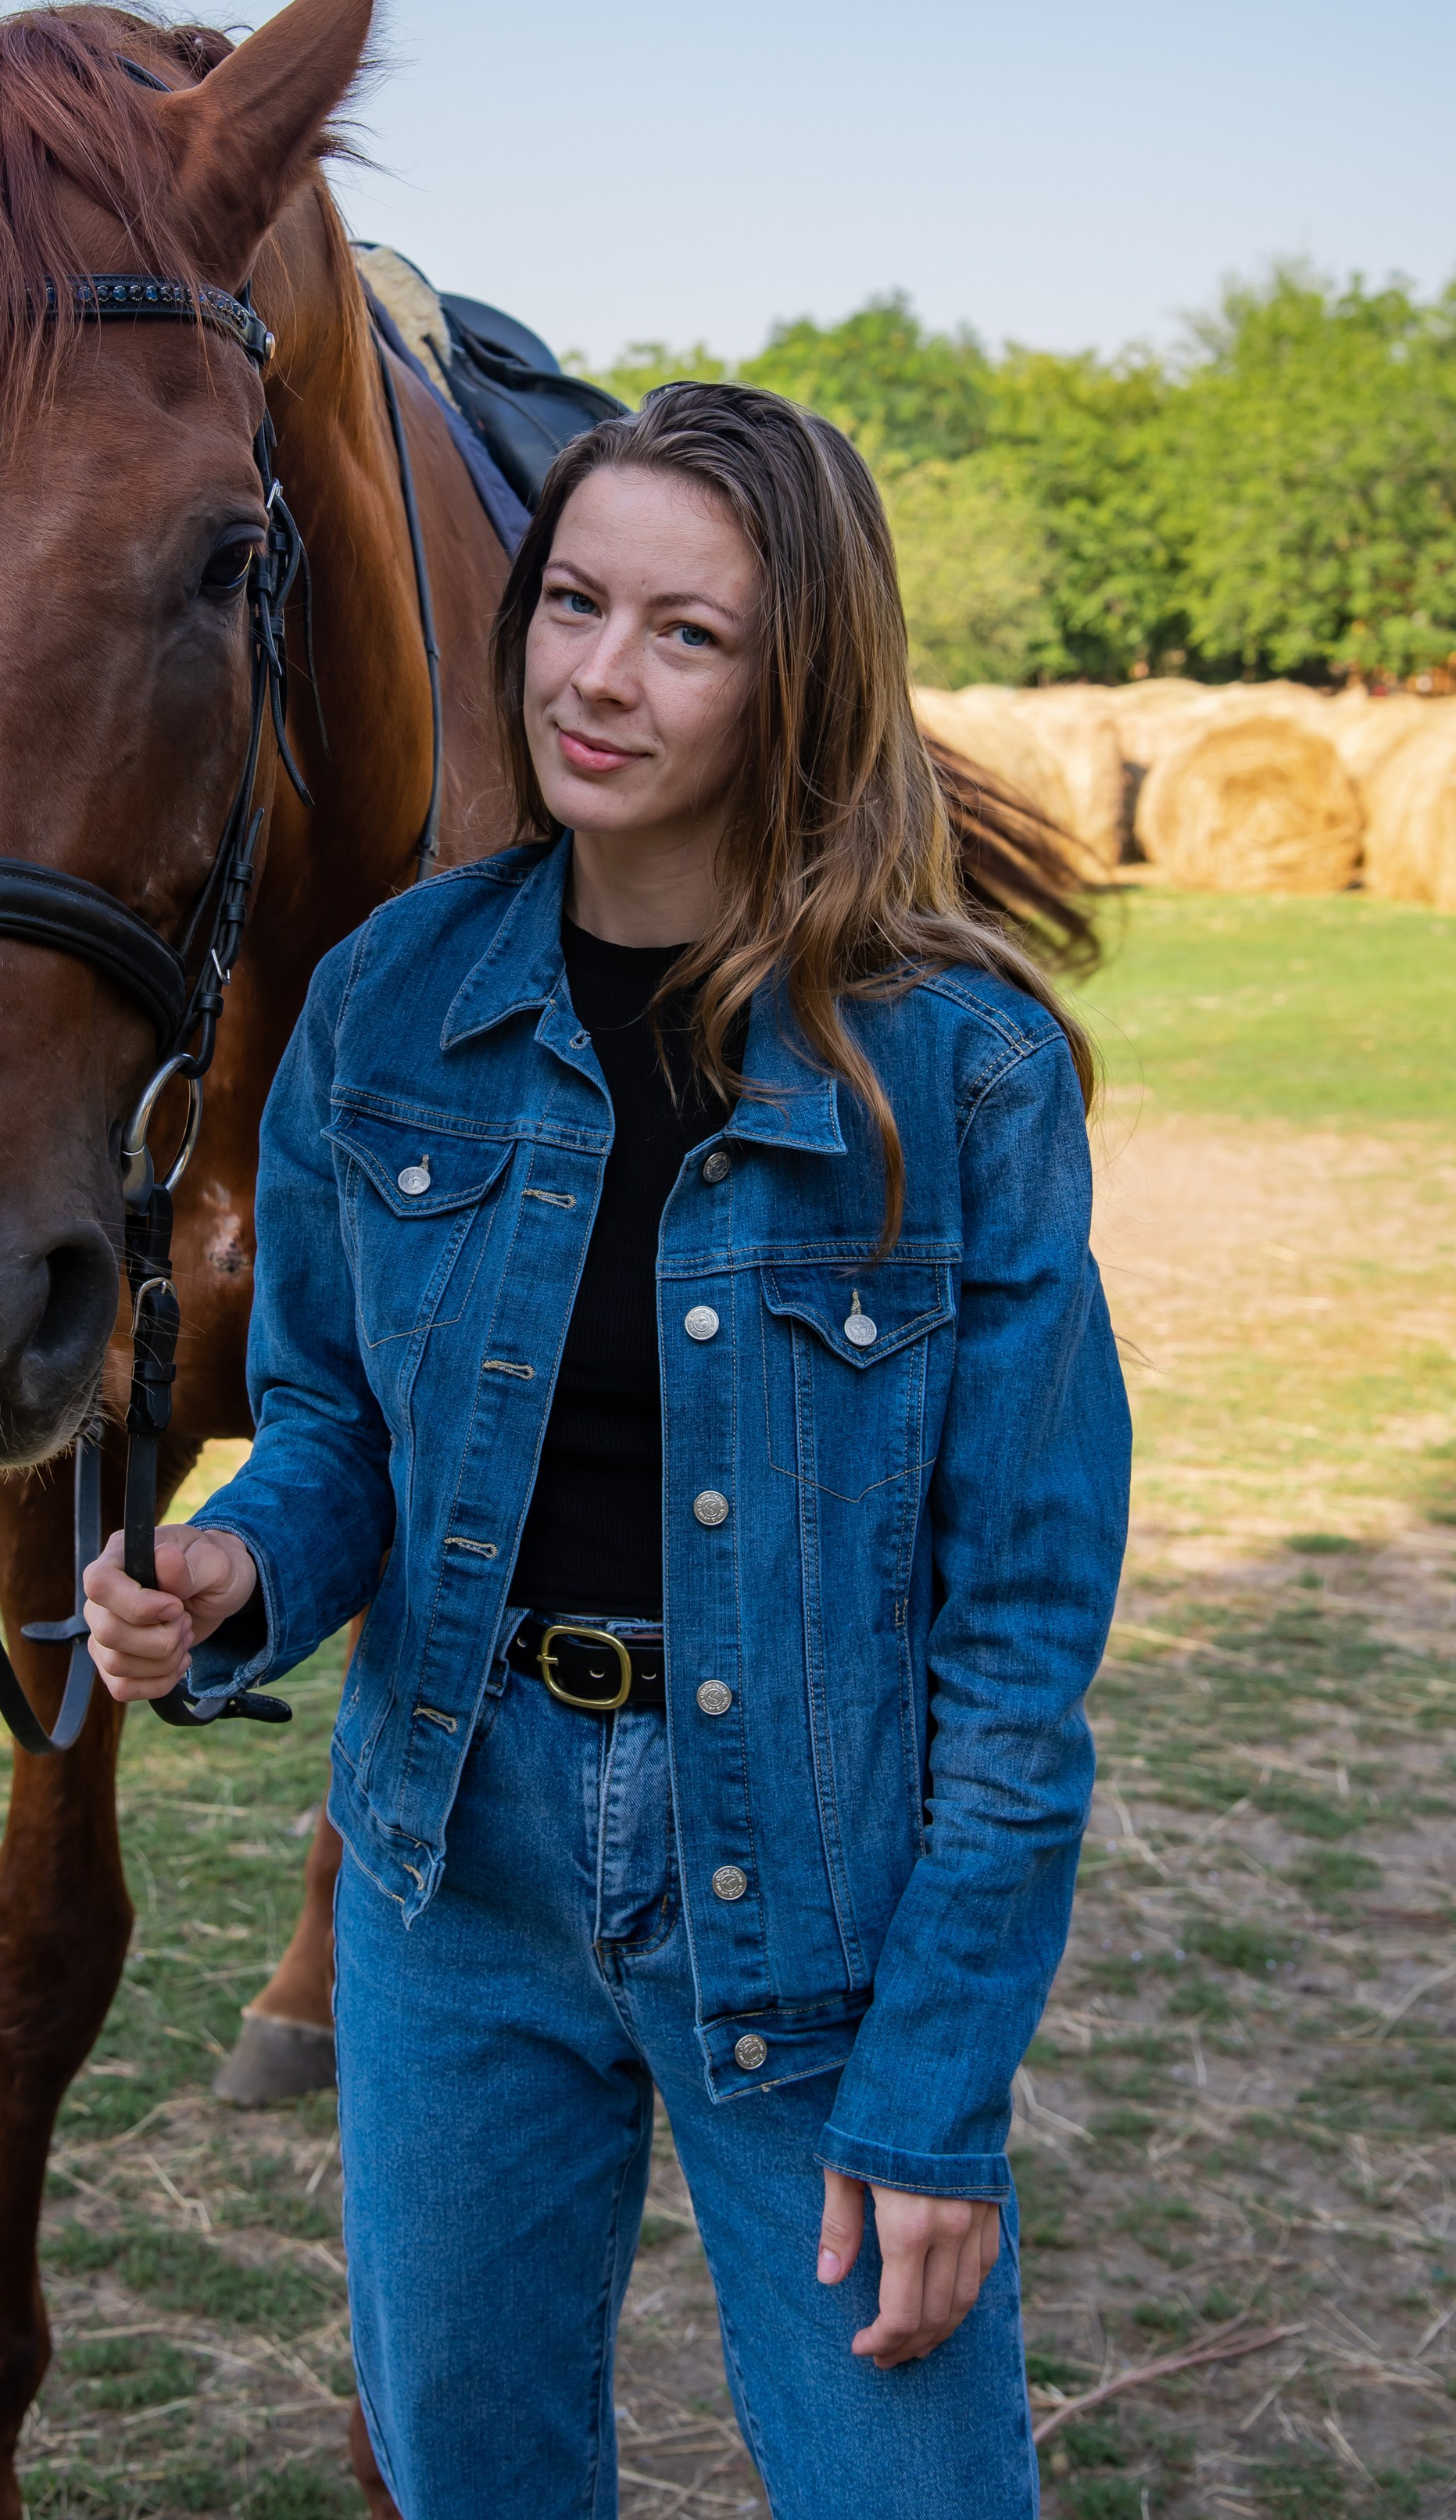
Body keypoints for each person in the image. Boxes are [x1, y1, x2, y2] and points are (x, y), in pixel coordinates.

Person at [83, 380, 1130, 2520]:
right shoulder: (390, 1000)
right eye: (573, 602)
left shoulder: (964, 1073)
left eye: (686, 632)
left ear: (799, 679)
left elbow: (1021, 1638)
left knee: (907, 2491)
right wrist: (240, 1566)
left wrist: (938, 2092)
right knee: (472, 2477)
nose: (596, 675)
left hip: (819, 1890)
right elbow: (337, 1424)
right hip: (451, 1866)